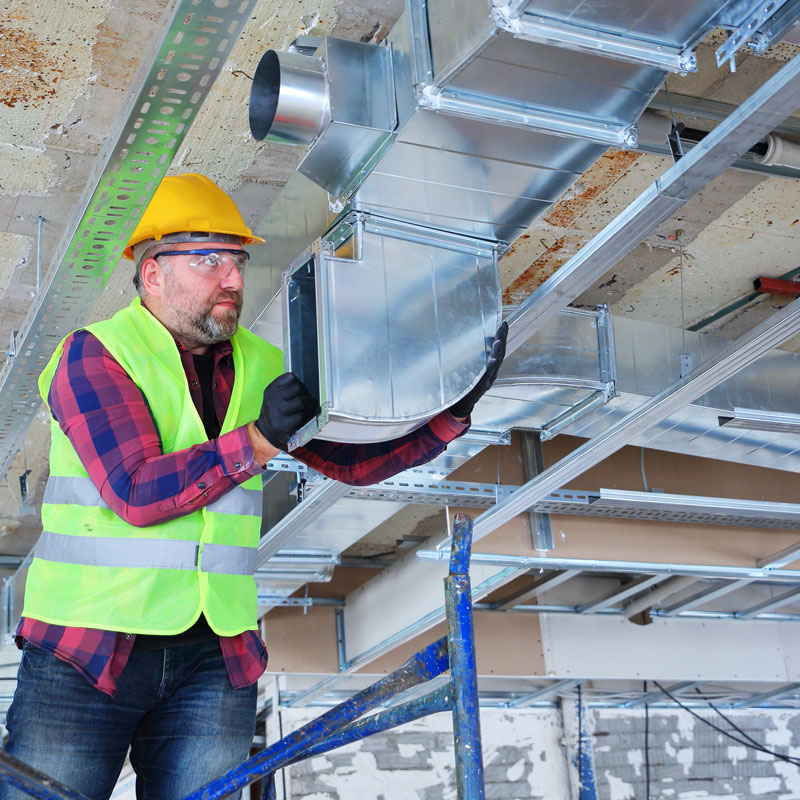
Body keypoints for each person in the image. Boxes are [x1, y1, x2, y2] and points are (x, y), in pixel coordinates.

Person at [0, 174, 507, 800]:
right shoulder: (96, 355)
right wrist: (260, 440)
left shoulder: (263, 367)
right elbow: (135, 492)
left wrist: (454, 407)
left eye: (237, 261)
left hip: (213, 650)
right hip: (88, 645)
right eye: (210, 261)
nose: (234, 280)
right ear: (153, 272)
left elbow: (354, 462)